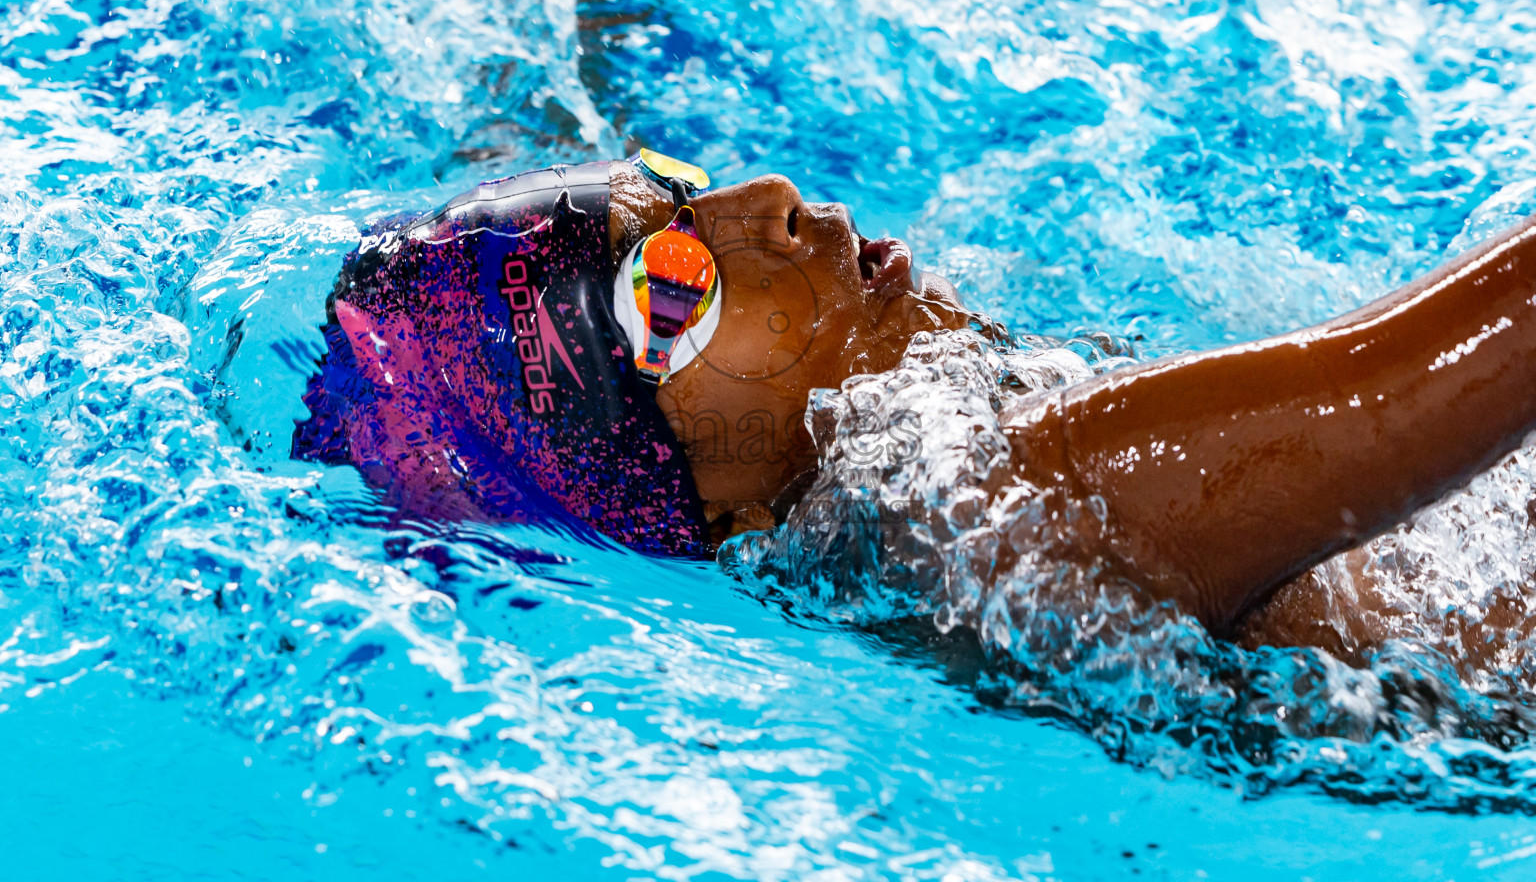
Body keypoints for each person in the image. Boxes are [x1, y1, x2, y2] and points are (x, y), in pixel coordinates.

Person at [292, 153, 1536, 643]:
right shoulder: (1031, 517)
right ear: (692, 504)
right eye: (676, 262)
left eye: (684, 178)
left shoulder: (899, 553)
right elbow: (1396, 389)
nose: (769, 199)